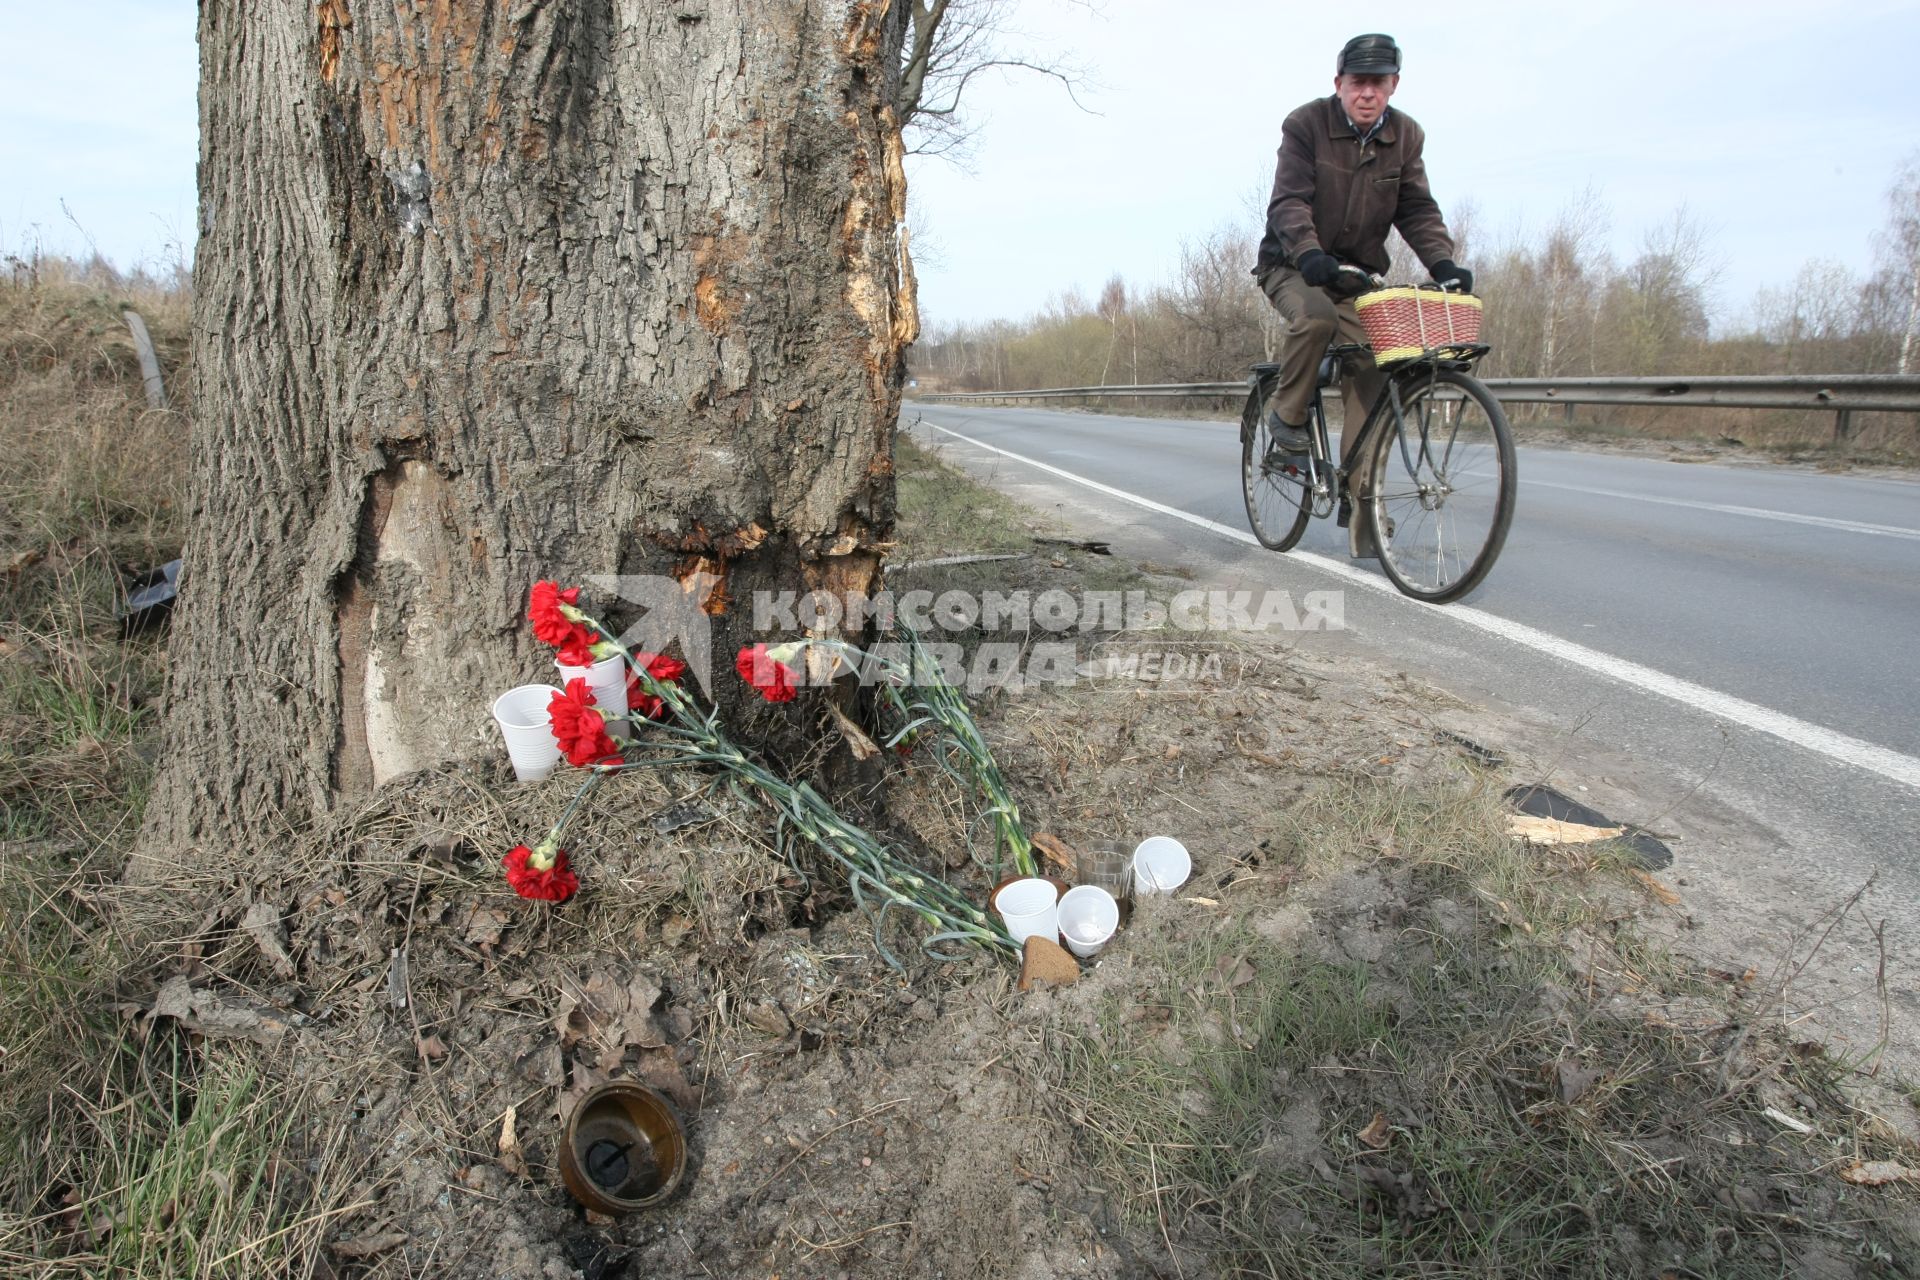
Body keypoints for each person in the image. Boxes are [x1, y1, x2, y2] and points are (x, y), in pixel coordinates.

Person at [1252, 33, 1472, 557]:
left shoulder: (1406, 136)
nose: (1367, 93)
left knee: (1377, 367)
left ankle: (1362, 497)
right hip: (1292, 264)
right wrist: (1307, 252)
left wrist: (1442, 261)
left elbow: (1416, 208)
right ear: (1339, 84)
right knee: (1317, 319)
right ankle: (1286, 418)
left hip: (1357, 277)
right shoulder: (1305, 124)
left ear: (1393, 85)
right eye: (1358, 83)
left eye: (1378, 83)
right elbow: (1289, 202)